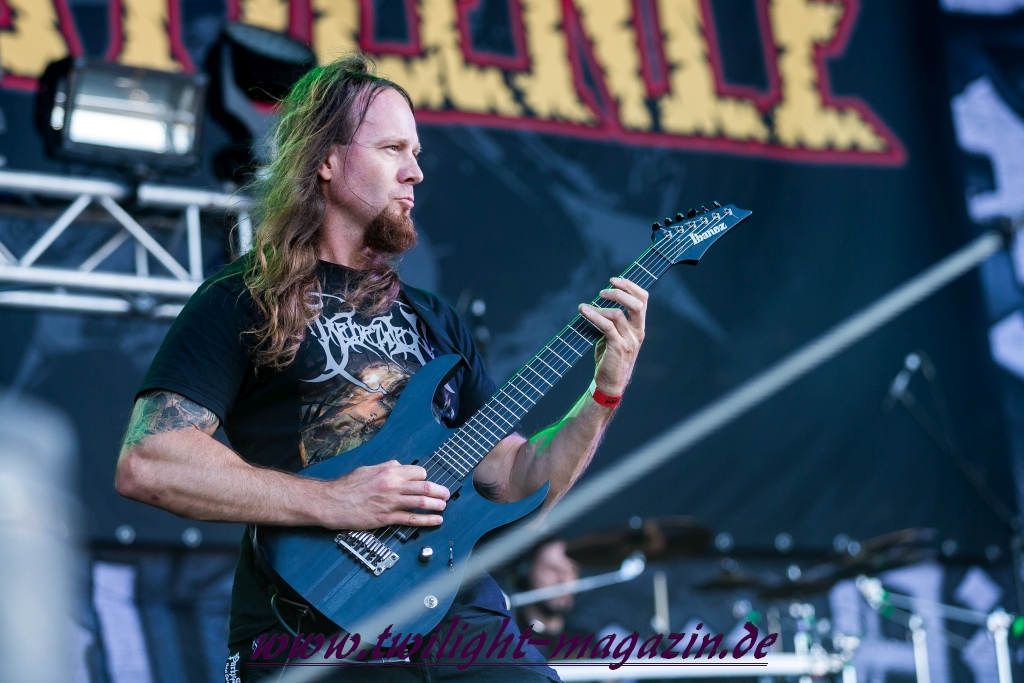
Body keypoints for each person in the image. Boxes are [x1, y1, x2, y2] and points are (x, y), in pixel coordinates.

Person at [115, 53, 648, 682]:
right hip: (314, 623)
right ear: (327, 160)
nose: (415, 171)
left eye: (416, 153)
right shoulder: (241, 299)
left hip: (460, 622)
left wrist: (603, 394)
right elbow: (151, 462)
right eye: (393, 148)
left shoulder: (435, 319)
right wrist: (335, 500)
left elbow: (517, 481)